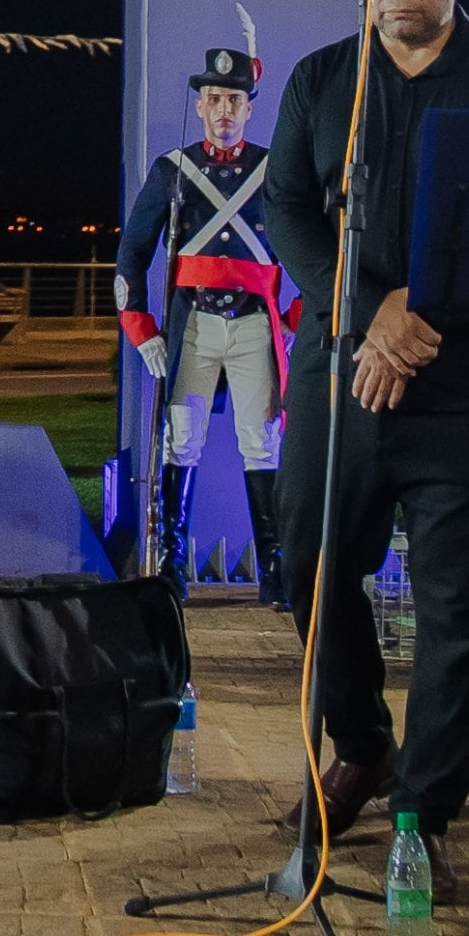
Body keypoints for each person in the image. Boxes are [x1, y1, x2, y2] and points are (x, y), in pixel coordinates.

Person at [252, 0, 469, 902]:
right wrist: (367, 312)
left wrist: (409, 318)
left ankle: (423, 813)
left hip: (463, 386)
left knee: (457, 611)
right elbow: (289, 209)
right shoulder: (321, 79)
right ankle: (361, 742)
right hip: (340, 373)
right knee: (310, 565)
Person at [114, 41, 288, 607]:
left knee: (261, 443)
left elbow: (315, 248)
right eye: (214, 98)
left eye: (234, 99)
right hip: (192, 323)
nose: (224, 110)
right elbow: (132, 256)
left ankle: (277, 570)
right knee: (181, 439)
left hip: (253, 325)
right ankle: (170, 567)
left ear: (249, 107)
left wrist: (294, 319)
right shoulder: (173, 170)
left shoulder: (275, 170)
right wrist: (142, 332)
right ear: (199, 106)